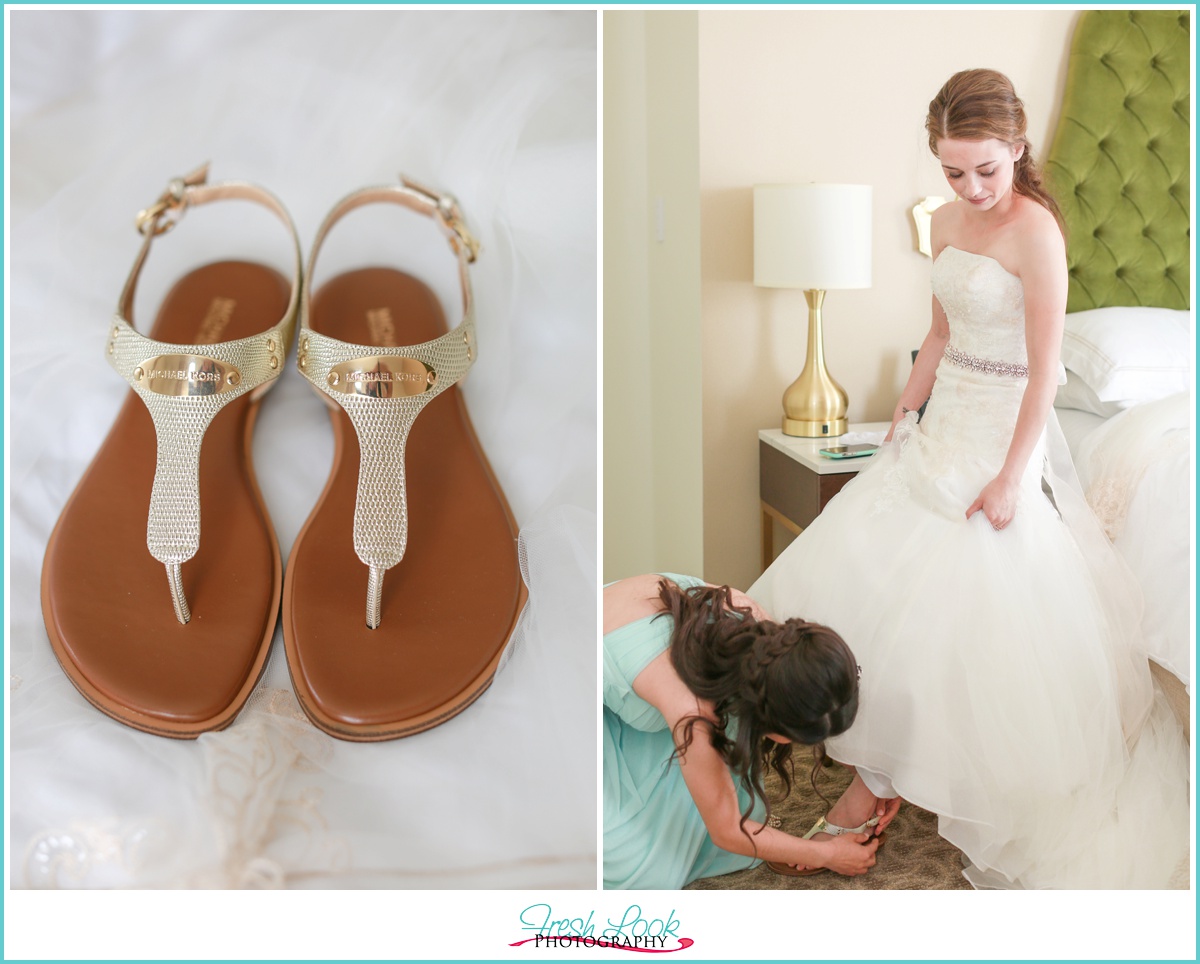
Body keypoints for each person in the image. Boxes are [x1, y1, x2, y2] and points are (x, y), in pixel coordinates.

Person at [749, 69, 1189, 889]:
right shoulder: (949, 220)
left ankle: (887, 786)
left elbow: (1046, 373)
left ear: (1018, 149)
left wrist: (1012, 480)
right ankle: (877, 771)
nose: (971, 187)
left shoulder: (1037, 234)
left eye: (986, 168)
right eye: (953, 171)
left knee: (965, 600)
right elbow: (940, 335)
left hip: (1000, 436)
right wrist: (899, 418)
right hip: (941, 421)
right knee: (876, 583)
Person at [603, 572, 899, 889]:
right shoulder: (694, 712)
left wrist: (873, 779)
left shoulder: (770, 641)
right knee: (635, 866)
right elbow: (727, 830)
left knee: (715, 760)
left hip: (626, 651)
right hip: (567, 699)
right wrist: (824, 854)